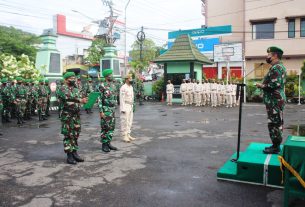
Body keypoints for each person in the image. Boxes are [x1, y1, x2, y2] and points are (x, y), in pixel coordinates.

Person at [256, 46, 287, 154]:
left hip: (275, 101)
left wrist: (261, 85)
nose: (267, 57)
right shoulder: (277, 67)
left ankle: (276, 147)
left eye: (269, 55)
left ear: (274, 56)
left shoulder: (277, 68)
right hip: (274, 100)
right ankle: (275, 145)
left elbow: (275, 84)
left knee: (275, 123)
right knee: (275, 123)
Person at [58, 72, 87, 164]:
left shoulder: (76, 89)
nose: (73, 79)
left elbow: (80, 98)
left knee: (75, 134)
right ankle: (69, 156)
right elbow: (68, 98)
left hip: (76, 115)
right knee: (68, 135)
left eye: (74, 78)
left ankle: (74, 152)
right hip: (67, 116)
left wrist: (84, 101)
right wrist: (80, 100)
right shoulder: (62, 88)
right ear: (66, 80)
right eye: (71, 78)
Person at [98, 69, 118, 153]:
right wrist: (101, 111)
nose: (112, 76)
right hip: (105, 109)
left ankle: (109, 142)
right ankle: (104, 145)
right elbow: (99, 99)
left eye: (112, 74)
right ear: (106, 76)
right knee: (105, 127)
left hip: (112, 109)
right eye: (110, 74)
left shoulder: (113, 85)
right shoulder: (101, 85)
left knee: (111, 127)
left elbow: (114, 97)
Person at [120, 74, 135, 142]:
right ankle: (124, 136)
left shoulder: (131, 87)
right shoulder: (123, 87)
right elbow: (122, 99)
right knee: (125, 121)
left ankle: (128, 134)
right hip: (125, 105)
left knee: (129, 121)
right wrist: (122, 108)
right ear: (126, 79)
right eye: (130, 79)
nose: (131, 80)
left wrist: (133, 105)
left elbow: (132, 97)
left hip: (130, 105)